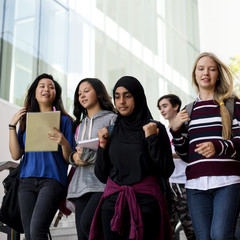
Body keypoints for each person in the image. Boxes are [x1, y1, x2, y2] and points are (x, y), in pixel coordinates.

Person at [170, 52, 240, 239]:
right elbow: (186, 154)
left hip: (227, 181)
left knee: (220, 235)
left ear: (218, 74)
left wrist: (217, 146)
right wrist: (176, 131)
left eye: (211, 69)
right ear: (195, 74)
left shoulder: (231, 103)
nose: (206, 73)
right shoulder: (188, 110)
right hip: (195, 185)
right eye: (201, 69)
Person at [89, 76, 174, 240]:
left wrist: (151, 139)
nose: (121, 101)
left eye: (127, 96)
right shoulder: (111, 131)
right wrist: (102, 145)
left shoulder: (155, 128)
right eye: (117, 96)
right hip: (112, 206)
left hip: (146, 206)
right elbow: (101, 175)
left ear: (138, 97)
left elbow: (166, 169)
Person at [8, 73, 75, 240]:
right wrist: (12, 126)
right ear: (35, 92)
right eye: (42, 86)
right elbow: (16, 155)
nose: (47, 89)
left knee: (37, 231)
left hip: (52, 181)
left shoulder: (65, 120)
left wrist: (63, 142)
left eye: (51, 87)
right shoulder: (26, 120)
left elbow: (69, 159)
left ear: (56, 94)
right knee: (30, 234)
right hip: (26, 181)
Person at [67, 78, 117, 240]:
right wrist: (74, 157)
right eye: (79, 93)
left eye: (86, 91)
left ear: (99, 92)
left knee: (88, 224)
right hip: (81, 185)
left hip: (102, 184)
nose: (82, 95)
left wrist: (87, 155)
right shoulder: (79, 125)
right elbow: (75, 155)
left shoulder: (112, 119)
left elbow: (114, 154)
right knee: (82, 234)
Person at [157, 94, 196, 240]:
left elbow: (190, 152)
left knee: (191, 228)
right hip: (168, 185)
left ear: (176, 106)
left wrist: (168, 154)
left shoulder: (187, 127)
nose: (162, 110)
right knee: (167, 229)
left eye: (165, 106)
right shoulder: (162, 131)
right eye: (160, 107)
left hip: (185, 184)